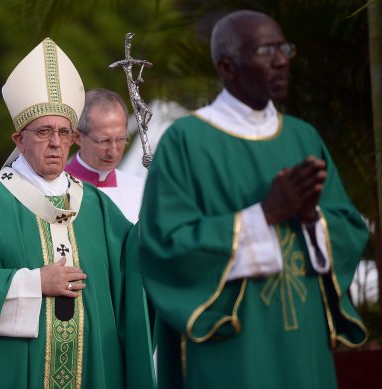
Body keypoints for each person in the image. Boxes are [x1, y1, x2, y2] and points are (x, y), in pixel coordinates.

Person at [139, 10, 368, 389]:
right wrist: (264, 214)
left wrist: (313, 218)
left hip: (304, 340)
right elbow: (164, 247)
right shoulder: (187, 141)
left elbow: (348, 228)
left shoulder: (303, 137)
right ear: (227, 66)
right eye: (266, 50)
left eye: (284, 48)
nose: (282, 60)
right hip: (234, 343)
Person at [0, 38, 154, 388]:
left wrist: (164, 221)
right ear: (19, 139)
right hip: (18, 365)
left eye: (63, 132)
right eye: (44, 132)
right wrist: (33, 283)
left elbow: (133, 270)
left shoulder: (96, 205)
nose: (56, 143)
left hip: (93, 367)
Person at [65, 88, 144, 222]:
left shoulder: (140, 189)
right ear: (77, 137)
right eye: (104, 141)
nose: (113, 152)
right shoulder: (56, 189)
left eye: (121, 139)